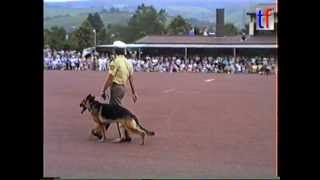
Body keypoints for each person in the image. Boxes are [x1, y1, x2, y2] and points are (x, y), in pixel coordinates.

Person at [100, 47, 138, 143]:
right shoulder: (128, 63)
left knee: (116, 112)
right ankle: (100, 131)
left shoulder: (115, 62)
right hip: (123, 88)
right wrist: (134, 92)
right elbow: (131, 78)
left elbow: (110, 77)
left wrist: (103, 90)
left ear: (115, 52)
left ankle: (124, 135)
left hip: (116, 87)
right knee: (111, 110)